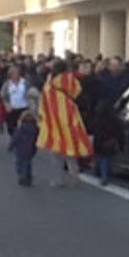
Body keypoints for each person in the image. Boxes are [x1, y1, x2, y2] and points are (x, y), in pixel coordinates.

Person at [38, 60, 93, 188]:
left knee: (56, 150)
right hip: (69, 115)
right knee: (70, 148)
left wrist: (42, 117)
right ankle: (74, 177)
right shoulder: (71, 79)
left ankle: (57, 180)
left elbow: (44, 100)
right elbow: (77, 91)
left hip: (53, 117)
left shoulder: (49, 82)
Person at [92, 101, 122, 186]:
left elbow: (93, 128)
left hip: (100, 141)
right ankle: (106, 175)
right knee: (107, 159)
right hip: (110, 140)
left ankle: (104, 176)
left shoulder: (98, 118)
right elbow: (119, 130)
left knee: (102, 158)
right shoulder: (115, 119)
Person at [10, 112, 39, 187]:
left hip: (20, 149)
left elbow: (15, 138)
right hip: (31, 149)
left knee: (19, 163)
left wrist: (11, 146)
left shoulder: (20, 129)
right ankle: (28, 177)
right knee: (27, 163)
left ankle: (22, 176)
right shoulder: (36, 130)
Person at [3, 66, 29, 134]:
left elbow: (30, 93)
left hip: (23, 108)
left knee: (22, 127)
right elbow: (3, 95)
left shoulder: (25, 82)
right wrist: (6, 105)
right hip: (12, 109)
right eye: (12, 74)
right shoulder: (7, 84)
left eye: (16, 73)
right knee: (11, 128)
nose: (14, 75)